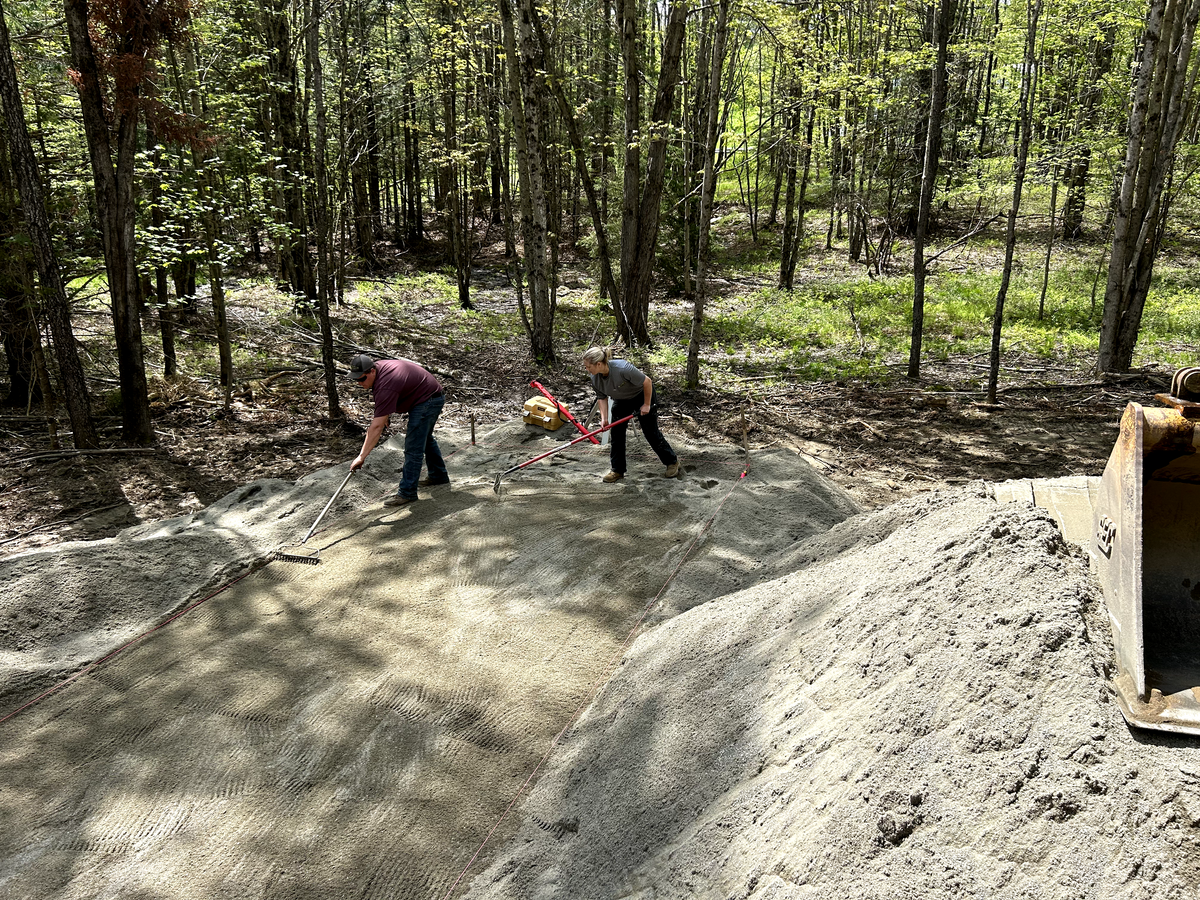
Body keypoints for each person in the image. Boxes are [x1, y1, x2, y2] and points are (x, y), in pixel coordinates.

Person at [348, 353, 448, 506]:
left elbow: (376, 427)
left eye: (361, 379)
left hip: (429, 399)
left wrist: (361, 456)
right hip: (425, 394)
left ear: (372, 371)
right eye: (356, 380)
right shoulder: (379, 374)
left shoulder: (386, 384)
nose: (359, 383)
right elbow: (388, 396)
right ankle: (438, 475)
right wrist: (385, 414)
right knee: (424, 437)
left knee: (414, 444)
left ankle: (407, 492)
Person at [582, 346, 680, 483]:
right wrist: (604, 419)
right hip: (621, 400)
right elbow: (602, 398)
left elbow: (647, 382)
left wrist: (646, 404)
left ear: (598, 364)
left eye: (588, 366)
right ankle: (617, 470)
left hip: (642, 396)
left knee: (650, 432)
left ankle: (672, 462)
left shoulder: (622, 368)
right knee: (617, 434)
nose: (587, 369)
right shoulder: (595, 378)